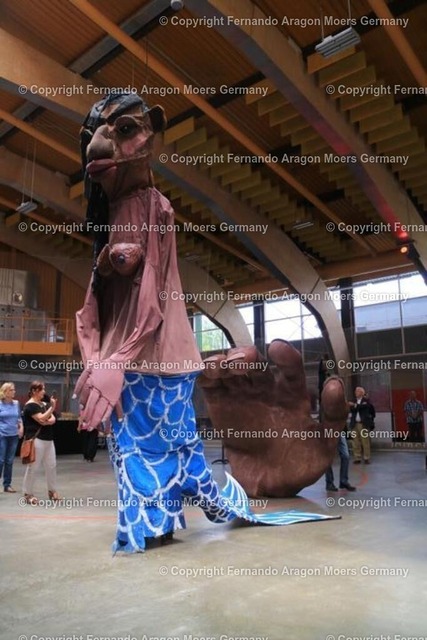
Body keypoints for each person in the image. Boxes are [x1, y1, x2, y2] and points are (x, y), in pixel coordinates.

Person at [22, 381, 60, 505]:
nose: (44, 391)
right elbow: (41, 418)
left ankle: (52, 491)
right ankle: (28, 494)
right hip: (36, 439)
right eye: (42, 389)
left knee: (51, 466)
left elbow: (52, 418)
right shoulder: (30, 406)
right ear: (34, 391)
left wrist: (48, 417)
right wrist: (51, 409)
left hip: (49, 439)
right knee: (33, 467)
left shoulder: (44, 404)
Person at [0, 382, 24, 493]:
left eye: (14, 389)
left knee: (9, 461)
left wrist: (21, 427)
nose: (14, 391)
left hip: (13, 435)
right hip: (2, 435)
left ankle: (7, 485)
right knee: (1, 460)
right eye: (12, 390)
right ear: (5, 392)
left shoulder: (16, 403)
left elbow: (19, 417)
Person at [349, 387, 376, 464]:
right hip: (354, 423)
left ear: (361, 393)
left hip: (363, 424)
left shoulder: (366, 401)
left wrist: (355, 405)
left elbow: (362, 407)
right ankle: (357, 457)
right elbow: (353, 409)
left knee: (365, 441)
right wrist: (355, 405)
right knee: (355, 442)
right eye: (355, 391)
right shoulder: (354, 401)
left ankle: (366, 457)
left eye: (357, 391)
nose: (355, 392)